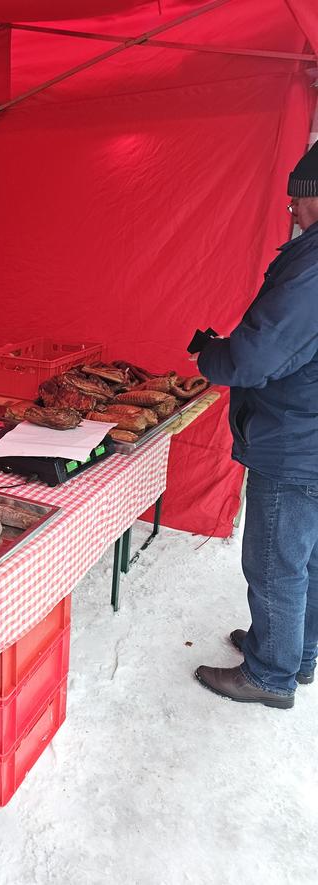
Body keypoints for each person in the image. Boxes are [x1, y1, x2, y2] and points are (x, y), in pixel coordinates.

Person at [191, 142, 318, 710]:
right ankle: (296, 650)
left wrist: (212, 354)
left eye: (298, 201)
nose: (291, 211)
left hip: (295, 442)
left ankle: (269, 675)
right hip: (309, 433)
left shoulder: (314, 265)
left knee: (274, 562)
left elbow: (257, 357)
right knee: (307, 557)